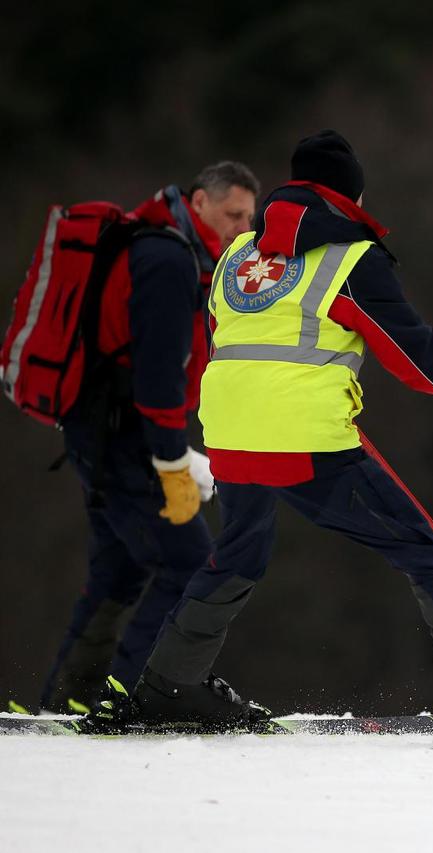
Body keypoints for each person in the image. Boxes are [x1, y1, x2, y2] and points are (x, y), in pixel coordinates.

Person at [90, 130, 433, 738]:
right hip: (304, 441)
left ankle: (169, 687)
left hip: (229, 431)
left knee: (238, 554)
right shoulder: (353, 257)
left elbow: (225, 334)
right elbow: (417, 358)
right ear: (351, 192)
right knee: (429, 555)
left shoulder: (237, 252)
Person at [41, 162, 260, 712]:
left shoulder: (163, 245)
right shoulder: (167, 260)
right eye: (234, 214)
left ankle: (72, 698)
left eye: (249, 218)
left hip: (101, 431)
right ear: (200, 203)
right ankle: (134, 695)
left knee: (122, 566)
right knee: (190, 562)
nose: (242, 228)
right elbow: (159, 378)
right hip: (125, 437)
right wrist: (170, 464)